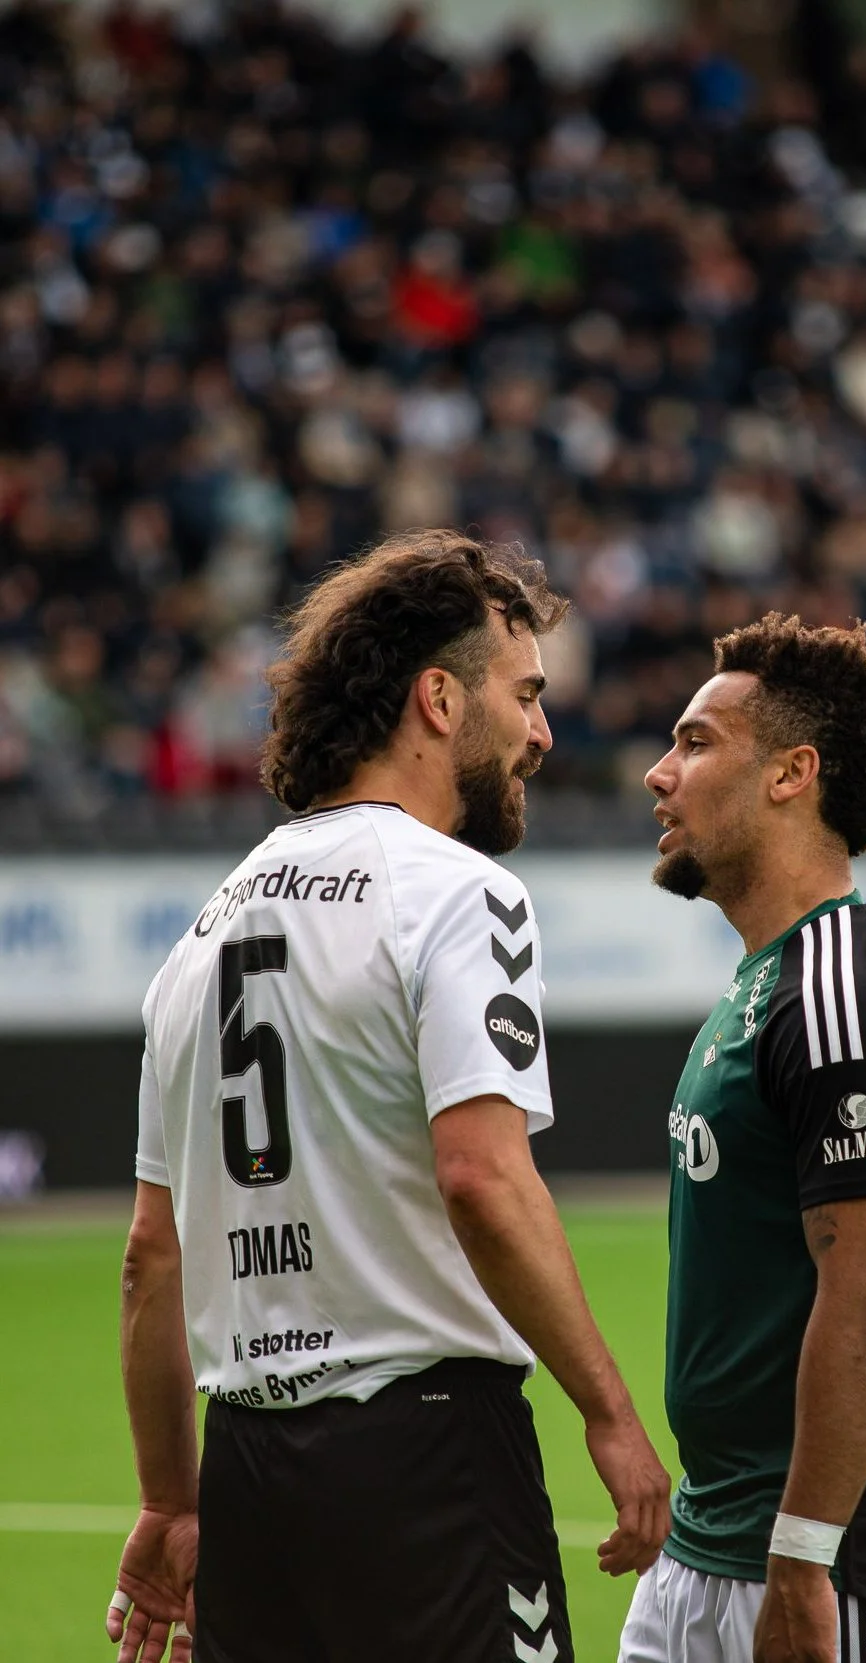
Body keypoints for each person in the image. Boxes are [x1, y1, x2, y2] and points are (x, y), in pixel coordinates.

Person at [106, 529, 671, 1663]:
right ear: (437, 699)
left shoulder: (202, 934)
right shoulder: (458, 894)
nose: (541, 733)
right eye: (524, 695)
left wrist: (171, 1501)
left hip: (249, 1476)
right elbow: (480, 1172)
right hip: (426, 1462)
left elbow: (150, 1258)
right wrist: (610, 1415)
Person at [619, 613, 866, 1663]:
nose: (658, 774)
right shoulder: (771, 981)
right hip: (713, 1545)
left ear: (792, 773)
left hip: (844, 1565)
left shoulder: (840, 990)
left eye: (695, 744)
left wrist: (800, 1559)